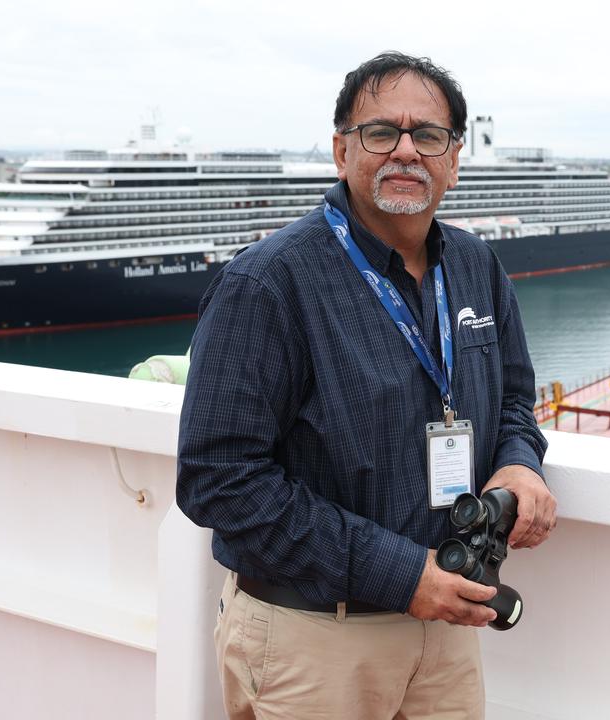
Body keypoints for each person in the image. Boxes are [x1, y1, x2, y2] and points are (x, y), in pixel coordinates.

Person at [176, 51, 554, 720]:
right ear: (341, 150)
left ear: (454, 158)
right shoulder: (267, 284)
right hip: (314, 640)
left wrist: (520, 465)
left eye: (428, 136)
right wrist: (399, 574)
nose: (405, 151)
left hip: (447, 632)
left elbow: (516, 398)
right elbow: (219, 477)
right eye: (382, 132)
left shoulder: (475, 266)